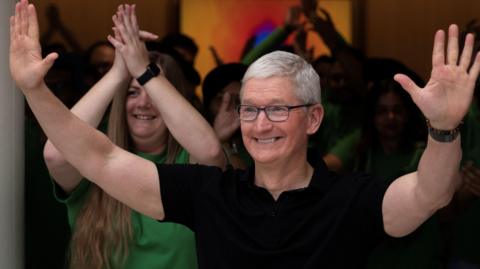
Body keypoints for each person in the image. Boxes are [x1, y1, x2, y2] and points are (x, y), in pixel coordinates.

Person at [9, 0, 480, 267]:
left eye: (277, 110)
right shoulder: (210, 193)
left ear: (314, 119)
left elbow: (429, 193)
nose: (259, 124)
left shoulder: (350, 198)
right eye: (250, 109)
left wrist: (443, 126)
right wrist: (34, 91)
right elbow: (100, 159)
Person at [41, 5, 225, 269]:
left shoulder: (190, 164)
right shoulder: (95, 158)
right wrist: (119, 73)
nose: (143, 103)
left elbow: (211, 152)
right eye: (132, 92)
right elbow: (56, 153)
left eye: (155, 91)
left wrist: (143, 70)